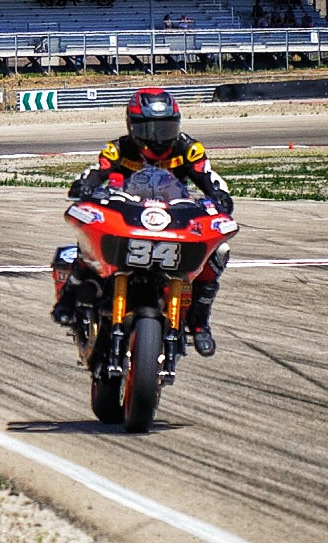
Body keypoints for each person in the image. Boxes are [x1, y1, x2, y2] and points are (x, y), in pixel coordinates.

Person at [52, 89, 234, 357]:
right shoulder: (118, 149)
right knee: (89, 234)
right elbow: (96, 171)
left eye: (164, 127)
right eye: (149, 128)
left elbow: (208, 178)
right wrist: (85, 185)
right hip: (129, 215)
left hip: (173, 218)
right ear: (133, 126)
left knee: (219, 252)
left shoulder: (189, 150)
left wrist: (219, 195)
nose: (157, 136)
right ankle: (69, 298)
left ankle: (199, 323)